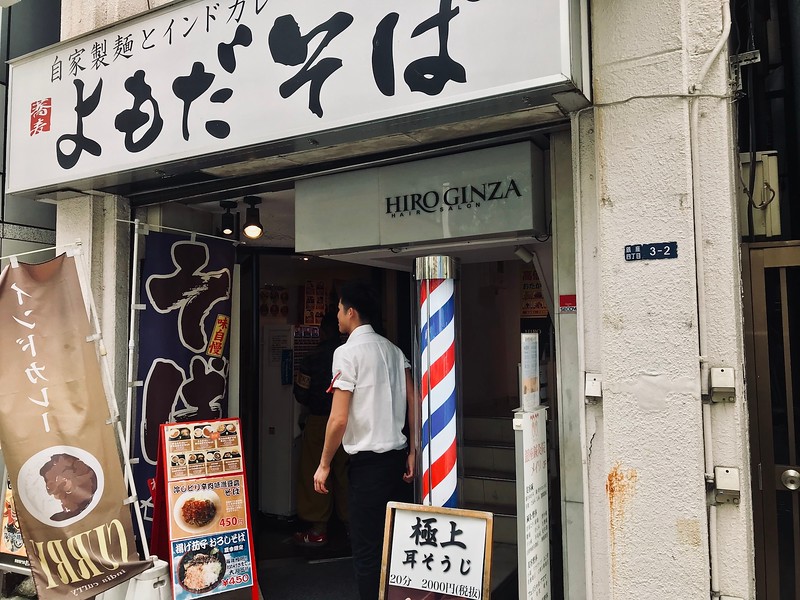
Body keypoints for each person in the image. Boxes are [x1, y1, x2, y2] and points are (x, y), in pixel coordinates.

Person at [313, 281, 416, 600]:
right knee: (396, 544)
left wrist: (324, 463)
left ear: (351, 313)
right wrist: (413, 450)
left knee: (368, 551)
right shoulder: (394, 351)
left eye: (340, 309)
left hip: (367, 467)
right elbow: (415, 401)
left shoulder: (346, 353)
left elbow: (339, 418)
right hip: (397, 461)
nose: (337, 315)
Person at [292, 311, 348, 547]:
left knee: (316, 474)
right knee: (346, 473)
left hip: (318, 421)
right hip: (348, 422)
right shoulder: (350, 355)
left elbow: (301, 393)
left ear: (323, 331)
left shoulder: (312, 357)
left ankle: (318, 529)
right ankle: (351, 527)